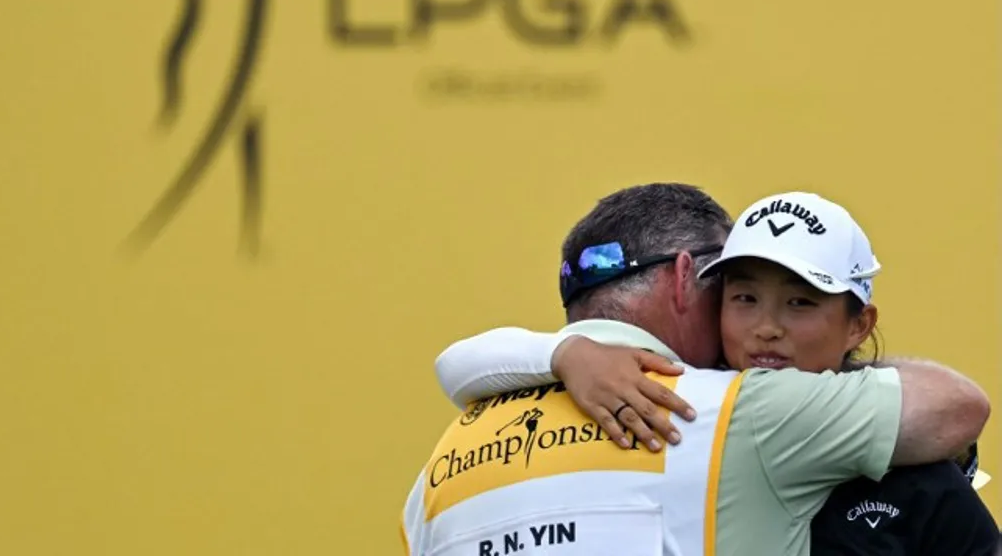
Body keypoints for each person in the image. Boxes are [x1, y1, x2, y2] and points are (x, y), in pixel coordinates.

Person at [400, 184, 992, 556]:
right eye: (737, 293)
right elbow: (957, 405)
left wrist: (559, 354)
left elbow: (454, 362)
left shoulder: (438, 469)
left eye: (801, 301)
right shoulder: (735, 409)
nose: (766, 326)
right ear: (688, 278)